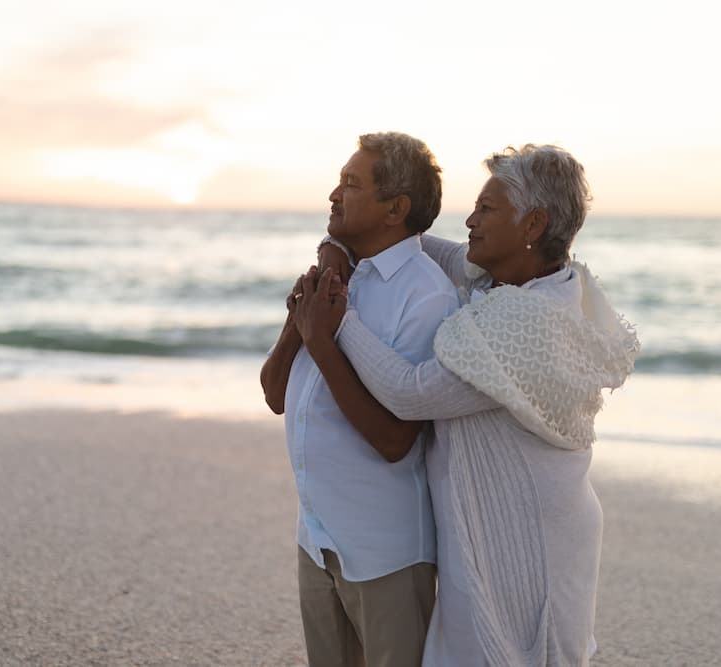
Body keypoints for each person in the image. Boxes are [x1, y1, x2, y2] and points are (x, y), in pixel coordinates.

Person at [298, 144, 640, 666]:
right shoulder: (500, 278)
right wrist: (338, 244)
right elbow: (411, 244)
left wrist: (337, 323)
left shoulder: (530, 323)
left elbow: (409, 393)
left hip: (529, 539)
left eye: (487, 209)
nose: (470, 221)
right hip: (479, 529)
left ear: (532, 224)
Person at [260, 132, 459, 667]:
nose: (334, 194)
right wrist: (297, 324)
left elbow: (396, 439)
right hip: (316, 538)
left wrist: (324, 341)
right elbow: (275, 393)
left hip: (384, 553)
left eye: (351, 184)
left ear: (396, 208)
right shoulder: (336, 274)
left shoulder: (426, 296)